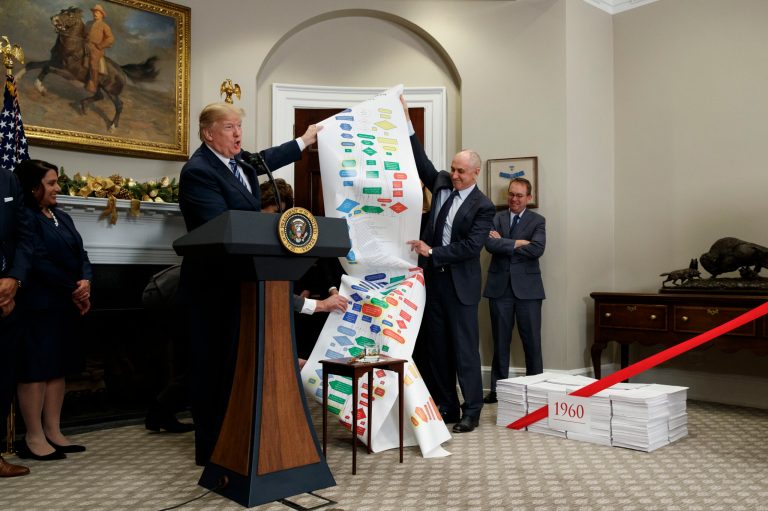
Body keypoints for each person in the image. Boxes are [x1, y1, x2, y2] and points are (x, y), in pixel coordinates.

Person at [178, 102, 323, 466]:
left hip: (244, 282)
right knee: (212, 367)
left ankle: (239, 439)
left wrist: (304, 141)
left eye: (239, 125)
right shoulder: (198, 171)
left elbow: (265, 159)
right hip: (213, 285)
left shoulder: (239, 163)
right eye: (229, 127)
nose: (238, 133)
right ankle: (212, 449)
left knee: (237, 365)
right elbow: (221, 225)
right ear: (208, 133)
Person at [402, 96, 495, 434]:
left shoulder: (484, 207)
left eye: (460, 171)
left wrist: (431, 253)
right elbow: (420, 159)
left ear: (475, 173)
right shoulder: (441, 182)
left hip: (461, 286)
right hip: (433, 284)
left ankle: (472, 409)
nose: (454, 175)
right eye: (453, 169)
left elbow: (471, 248)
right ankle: (447, 405)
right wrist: (407, 121)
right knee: (436, 348)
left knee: (464, 351)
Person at [13, 160, 92, 461]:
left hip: (64, 305)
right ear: (33, 187)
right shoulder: (25, 218)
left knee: (57, 368)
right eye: (51, 183)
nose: (58, 188)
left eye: (56, 181)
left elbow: (81, 254)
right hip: (38, 304)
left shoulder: (63, 217)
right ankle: (33, 437)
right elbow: (38, 261)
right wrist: (74, 288)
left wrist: (86, 280)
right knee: (36, 369)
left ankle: (54, 431)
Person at [259, 179, 347, 361]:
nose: (277, 221)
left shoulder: (291, 233)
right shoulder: (254, 241)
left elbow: (308, 263)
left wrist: (305, 291)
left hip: (294, 304)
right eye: (274, 213)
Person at [483, 178, 546, 404]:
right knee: (500, 342)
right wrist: (520, 242)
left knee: (532, 343)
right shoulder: (495, 218)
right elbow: (490, 245)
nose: (514, 199)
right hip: (500, 290)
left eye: (519, 195)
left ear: (528, 198)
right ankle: (497, 390)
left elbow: (537, 249)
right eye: (511, 194)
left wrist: (506, 243)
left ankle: (536, 389)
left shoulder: (538, 220)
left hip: (528, 291)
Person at [0, 167, 33, 477]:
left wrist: (14, 279)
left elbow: (24, 236)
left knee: (3, 377)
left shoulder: (8, 179)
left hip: (7, 296)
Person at [84, 4, 115, 93]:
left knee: (93, 63)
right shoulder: (88, 23)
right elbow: (84, 34)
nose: (95, 14)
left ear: (102, 14)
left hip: (96, 48)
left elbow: (110, 38)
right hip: (86, 44)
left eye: (97, 12)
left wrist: (100, 46)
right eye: (94, 12)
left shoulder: (104, 26)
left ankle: (93, 84)